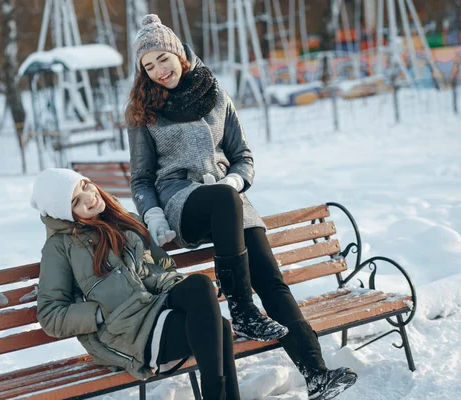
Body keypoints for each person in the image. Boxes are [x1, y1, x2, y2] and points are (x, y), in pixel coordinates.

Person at [126, 14, 357, 400]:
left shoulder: (215, 95)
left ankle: (316, 372)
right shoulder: (144, 111)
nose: (157, 71)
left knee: (271, 279)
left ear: (178, 53)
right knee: (221, 201)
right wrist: (151, 213)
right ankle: (243, 309)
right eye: (148, 66)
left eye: (161, 59)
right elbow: (141, 179)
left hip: (230, 200)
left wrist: (233, 182)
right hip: (183, 201)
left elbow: (242, 156)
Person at [31, 168, 242, 400]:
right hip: (126, 334)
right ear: (65, 214)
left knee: (202, 289)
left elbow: (162, 268)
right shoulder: (60, 247)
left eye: (85, 185)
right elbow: (51, 315)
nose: (89, 197)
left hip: (153, 308)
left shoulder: (125, 220)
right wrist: (100, 314)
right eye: (75, 201)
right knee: (217, 329)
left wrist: (168, 287)